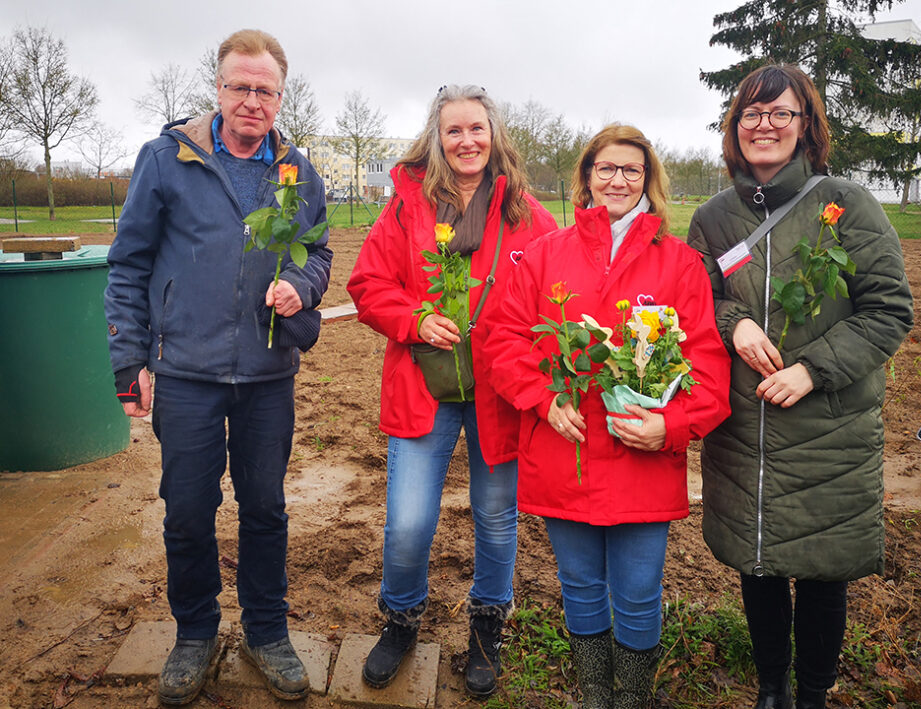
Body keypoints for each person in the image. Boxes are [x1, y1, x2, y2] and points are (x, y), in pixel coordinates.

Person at [104, 29, 331, 705]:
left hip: (267, 377)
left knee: (265, 507)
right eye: (240, 86)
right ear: (219, 88)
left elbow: (317, 253)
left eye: (265, 90)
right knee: (187, 511)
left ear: (280, 96)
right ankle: (195, 633)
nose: (252, 101)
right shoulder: (167, 159)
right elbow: (128, 263)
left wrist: (303, 285)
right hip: (187, 374)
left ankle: (266, 631)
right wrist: (129, 360)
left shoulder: (297, 171)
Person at [687, 64, 914, 709]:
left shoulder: (845, 205)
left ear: (805, 126)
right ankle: (771, 689)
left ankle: (812, 693)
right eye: (752, 115)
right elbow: (694, 299)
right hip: (745, 423)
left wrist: (813, 367)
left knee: (821, 571)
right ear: (736, 128)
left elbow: (889, 310)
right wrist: (733, 323)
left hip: (828, 428)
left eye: (780, 113)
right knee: (756, 564)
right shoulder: (714, 217)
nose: (765, 126)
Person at [485, 124, 732, 709]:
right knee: (580, 586)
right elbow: (502, 340)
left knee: (640, 590)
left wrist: (669, 427)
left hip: (642, 458)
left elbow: (708, 369)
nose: (618, 180)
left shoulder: (678, 263)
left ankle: (634, 697)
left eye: (632, 171)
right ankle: (596, 694)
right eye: (607, 169)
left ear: (648, 181)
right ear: (587, 178)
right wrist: (544, 400)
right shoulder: (546, 255)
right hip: (562, 452)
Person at [346, 84, 557, 698]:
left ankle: (489, 622)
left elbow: (551, 295)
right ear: (437, 140)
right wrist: (414, 320)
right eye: (453, 131)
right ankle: (402, 618)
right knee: (410, 520)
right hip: (423, 385)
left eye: (476, 129)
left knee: (496, 517)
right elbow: (368, 282)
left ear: (495, 136)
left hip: (499, 391)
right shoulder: (409, 207)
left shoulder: (527, 214)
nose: (467, 141)